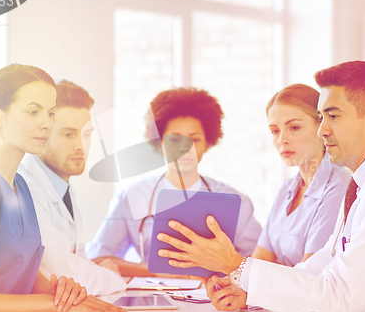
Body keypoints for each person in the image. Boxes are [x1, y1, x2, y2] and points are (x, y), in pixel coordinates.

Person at [156, 61, 365, 312]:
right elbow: (320, 267)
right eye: (322, 117)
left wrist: (237, 264)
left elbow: (336, 299)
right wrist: (248, 289)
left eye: (333, 117)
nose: (323, 130)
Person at [0, 64, 125, 312]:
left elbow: (27, 275)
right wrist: (52, 304)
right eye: (33, 111)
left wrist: (65, 294)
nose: (46, 124)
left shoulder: (20, 186)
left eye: (51, 113)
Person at [86, 87, 262, 277]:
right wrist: (155, 271)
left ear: (208, 143)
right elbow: (98, 259)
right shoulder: (131, 198)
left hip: (216, 300)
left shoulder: (236, 201)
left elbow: (260, 262)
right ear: (159, 142)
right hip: (153, 297)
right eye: (174, 140)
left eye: (194, 139)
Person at [17, 79, 127, 295]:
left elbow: (73, 255)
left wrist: (98, 270)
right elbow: (63, 274)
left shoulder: (61, 184)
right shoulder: (26, 188)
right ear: (42, 133)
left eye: (86, 134)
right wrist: (111, 276)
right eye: (68, 134)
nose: (81, 146)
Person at [251, 84, 349, 266]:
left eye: (294, 127)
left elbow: (309, 276)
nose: (282, 140)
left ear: (322, 127)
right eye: (275, 131)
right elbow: (258, 263)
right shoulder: (287, 189)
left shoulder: (339, 187)